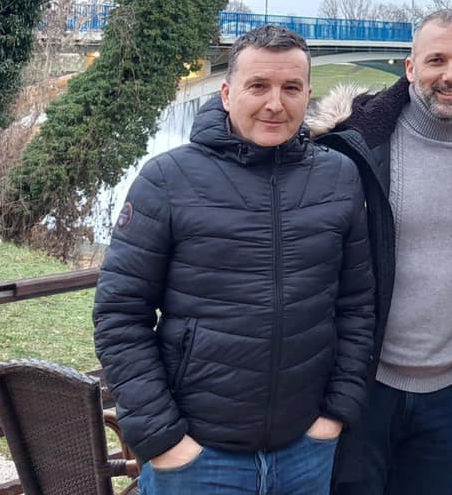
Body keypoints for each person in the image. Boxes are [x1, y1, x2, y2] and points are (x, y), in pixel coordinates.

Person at [93, 25, 375, 495]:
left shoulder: (339, 177)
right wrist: (164, 440)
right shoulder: (167, 179)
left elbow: (356, 305)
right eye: (258, 86)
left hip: (305, 451)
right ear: (226, 94)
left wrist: (335, 414)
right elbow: (120, 315)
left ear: (308, 95)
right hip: (198, 459)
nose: (274, 104)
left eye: (290, 88)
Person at [310, 9, 452, 495]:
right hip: (364, 386)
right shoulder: (353, 145)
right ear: (411, 67)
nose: (450, 74)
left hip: (450, 395)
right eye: (436, 60)